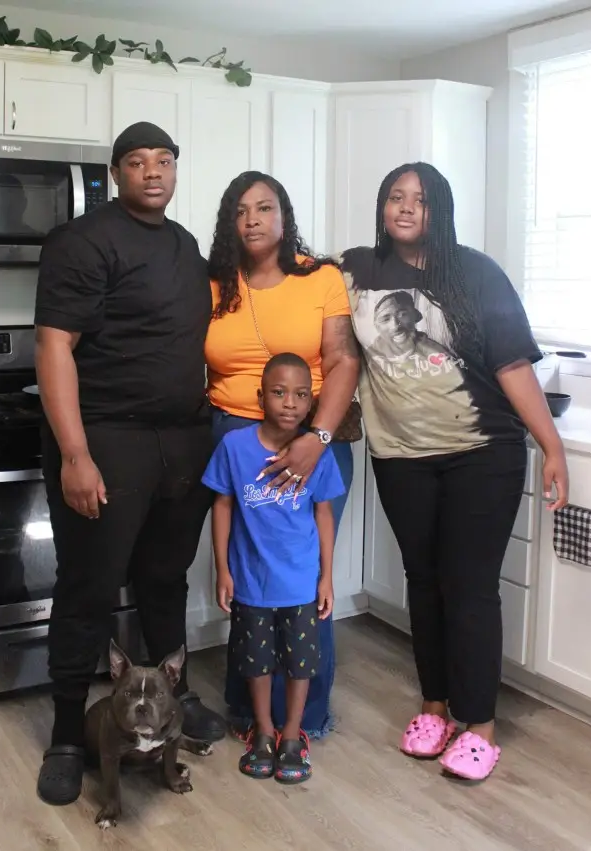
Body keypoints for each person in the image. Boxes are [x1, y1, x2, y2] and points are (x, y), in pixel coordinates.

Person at [337, 161, 569, 781]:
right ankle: (435, 707)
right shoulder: (354, 270)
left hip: (481, 453)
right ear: (382, 208)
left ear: (440, 210)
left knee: (469, 587)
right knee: (425, 580)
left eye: (421, 200)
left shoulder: (473, 272)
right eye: (395, 197)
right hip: (400, 457)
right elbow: (324, 333)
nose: (407, 208)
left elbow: (513, 364)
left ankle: (480, 726)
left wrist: (553, 445)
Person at [33, 121, 226, 807]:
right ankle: (64, 733)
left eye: (165, 160)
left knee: (164, 577)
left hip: (182, 438)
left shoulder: (185, 246)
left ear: (176, 170)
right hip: (108, 438)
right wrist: (76, 454)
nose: (153, 172)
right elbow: (54, 346)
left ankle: (173, 703)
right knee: (89, 586)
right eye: (138, 162)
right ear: (117, 173)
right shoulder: (82, 241)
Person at [205, 170, 360, 739]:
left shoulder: (320, 278)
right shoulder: (216, 284)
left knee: (302, 580)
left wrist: (314, 439)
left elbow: (343, 360)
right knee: (246, 581)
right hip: (234, 442)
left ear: (284, 216)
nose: (252, 219)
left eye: (264, 208)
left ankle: (305, 720)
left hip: (309, 437)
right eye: (240, 209)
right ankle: (250, 714)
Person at [202, 353, 346, 783]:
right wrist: (222, 570)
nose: (290, 404)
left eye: (302, 395)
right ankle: (262, 731)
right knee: (255, 662)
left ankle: (290, 736)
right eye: (280, 393)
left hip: (301, 585)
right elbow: (222, 505)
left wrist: (326, 576)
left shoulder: (315, 454)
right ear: (260, 395)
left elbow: (324, 514)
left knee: (302, 663)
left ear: (311, 401)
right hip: (251, 584)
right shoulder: (235, 447)